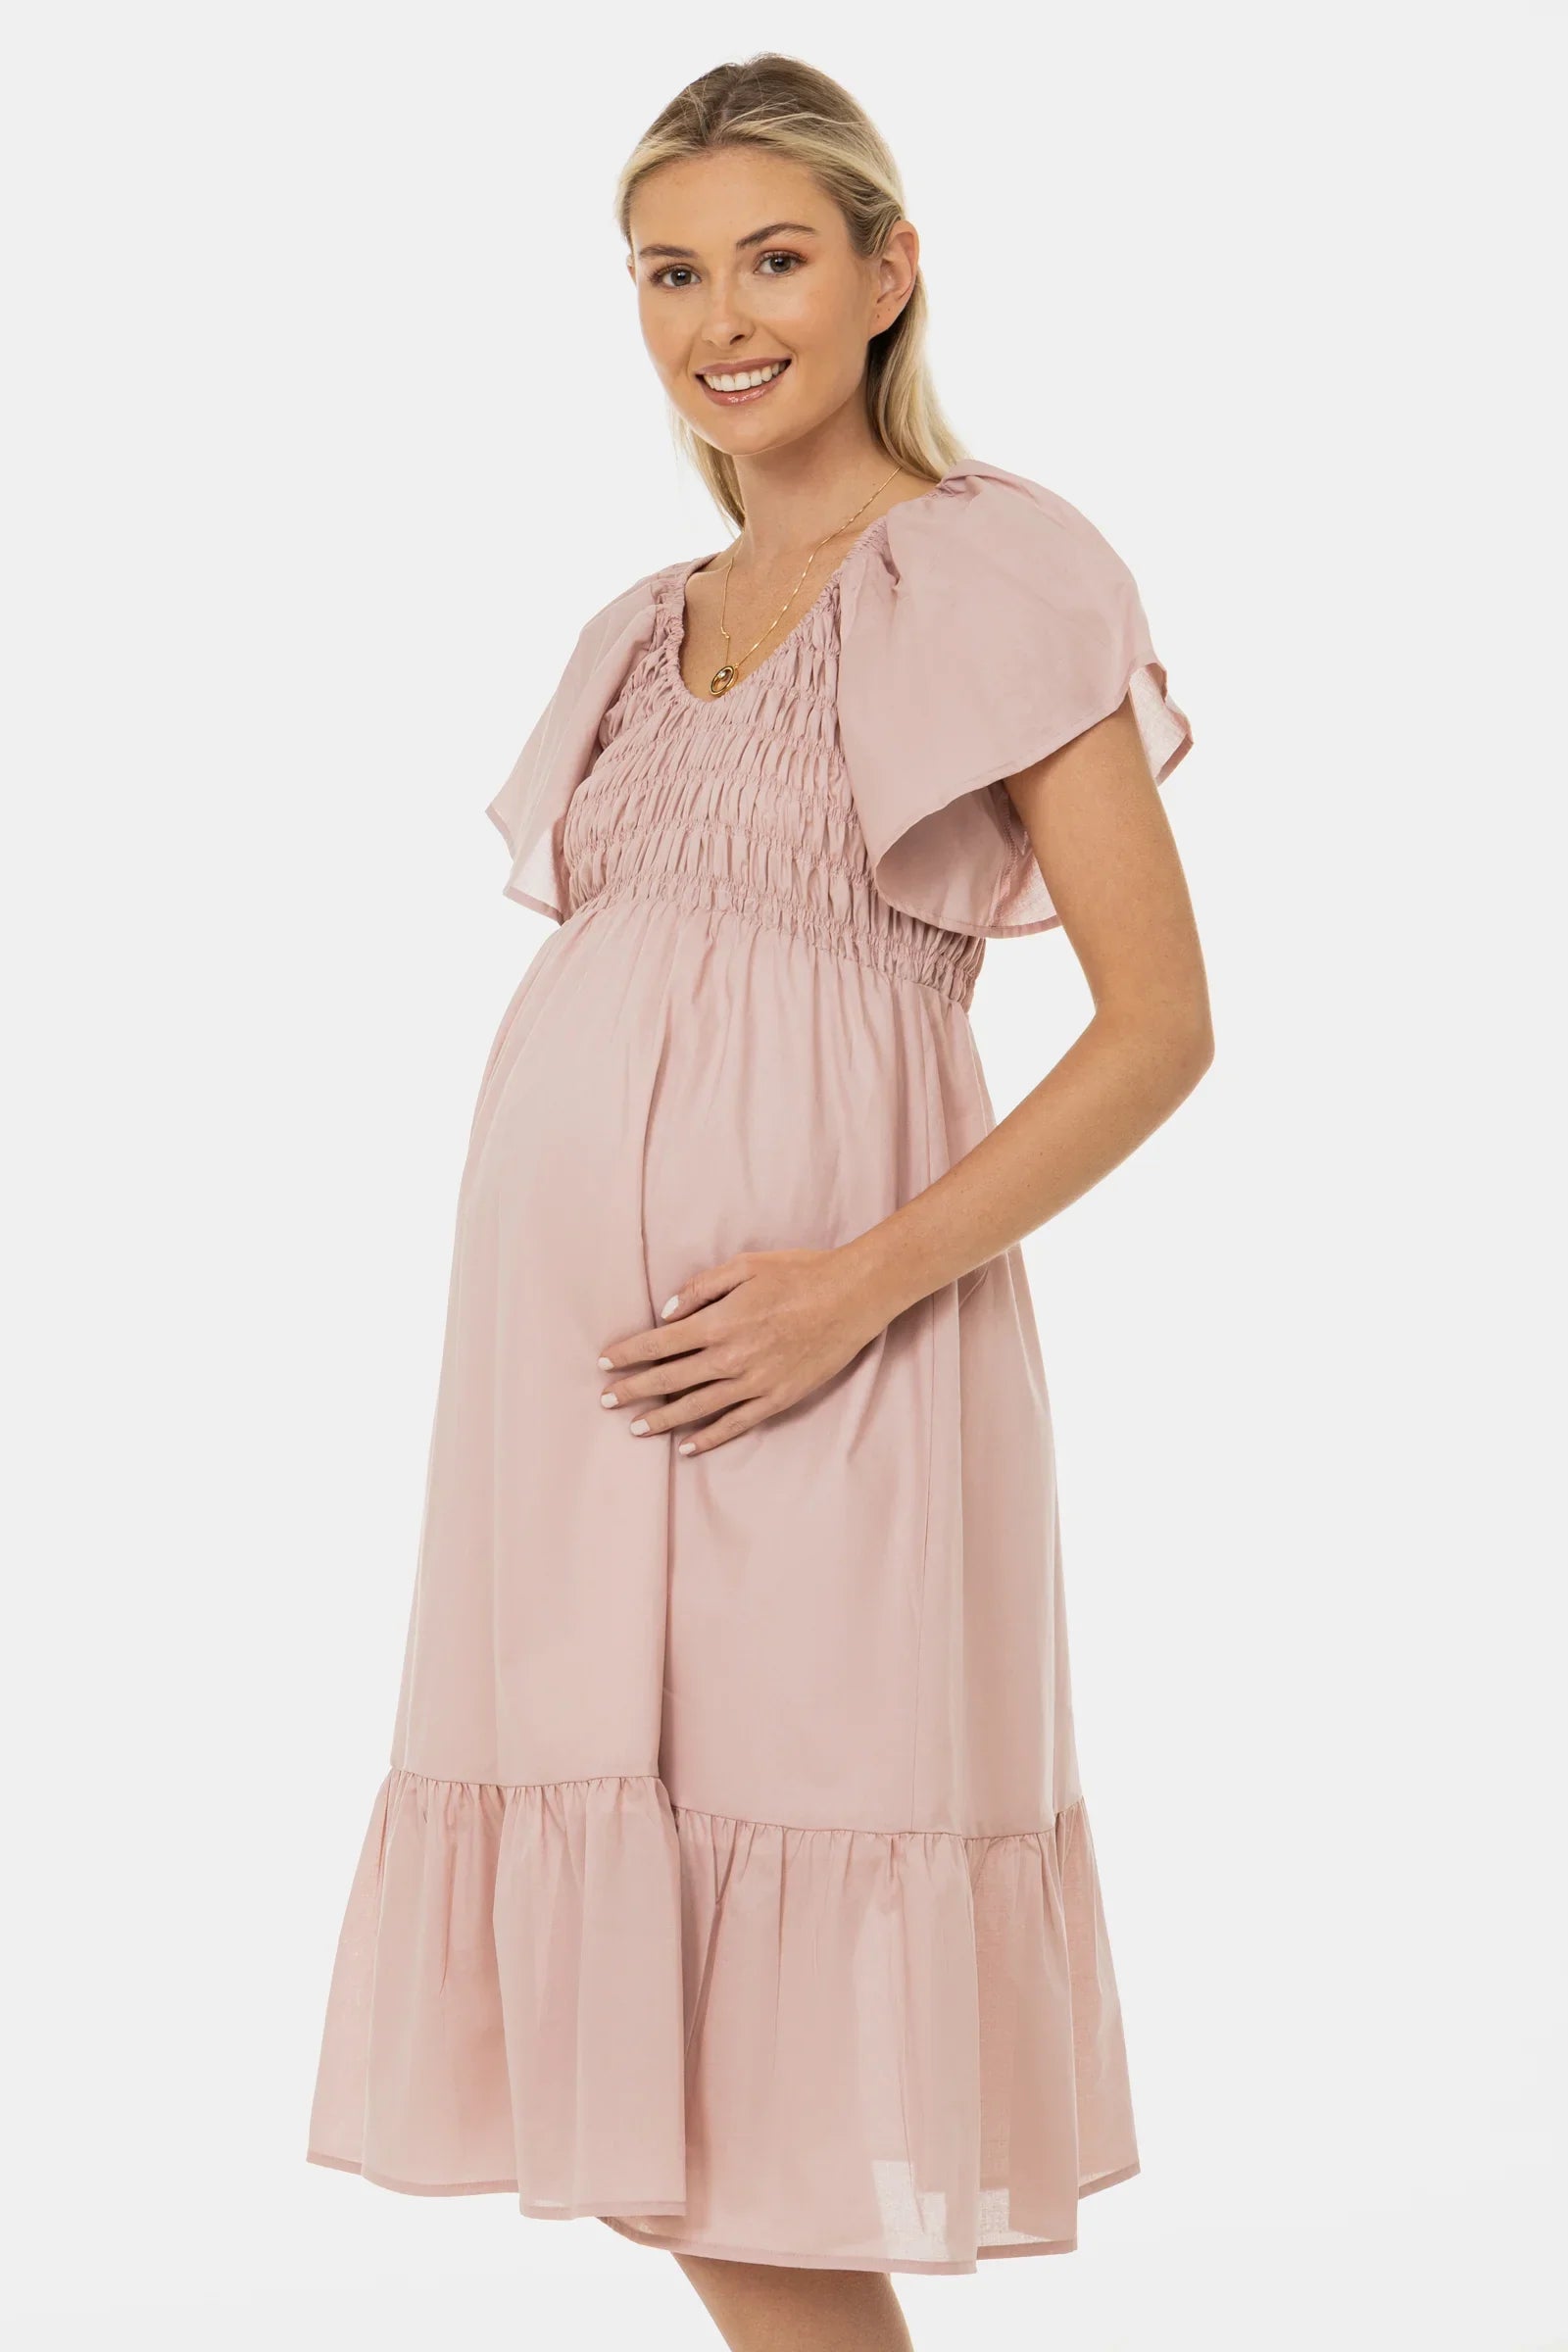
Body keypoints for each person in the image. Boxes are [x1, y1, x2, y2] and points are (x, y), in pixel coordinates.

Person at [305, 51, 1210, 2352]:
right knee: (634, 2091)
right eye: (669, 271)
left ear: (887, 276)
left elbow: (1155, 1027)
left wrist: (850, 1291)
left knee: (750, 2089)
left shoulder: (995, 566)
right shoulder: (639, 621)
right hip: (568, 1417)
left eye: (775, 259)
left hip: (833, 1384)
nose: (721, 318)